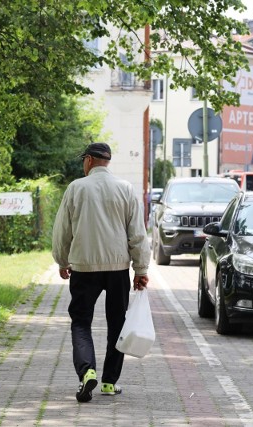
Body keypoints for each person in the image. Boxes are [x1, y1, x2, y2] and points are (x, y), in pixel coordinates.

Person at [51, 142, 151, 403]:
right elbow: (137, 233)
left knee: (81, 321)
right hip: (118, 268)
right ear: (106, 161)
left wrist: (62, 261)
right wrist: (140, 269)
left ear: (89, 161)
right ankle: (109, 382)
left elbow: (62, 230)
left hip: (84, 268)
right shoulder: (125, 189)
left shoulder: (76, 188)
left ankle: (87, 372)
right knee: (117, 323)